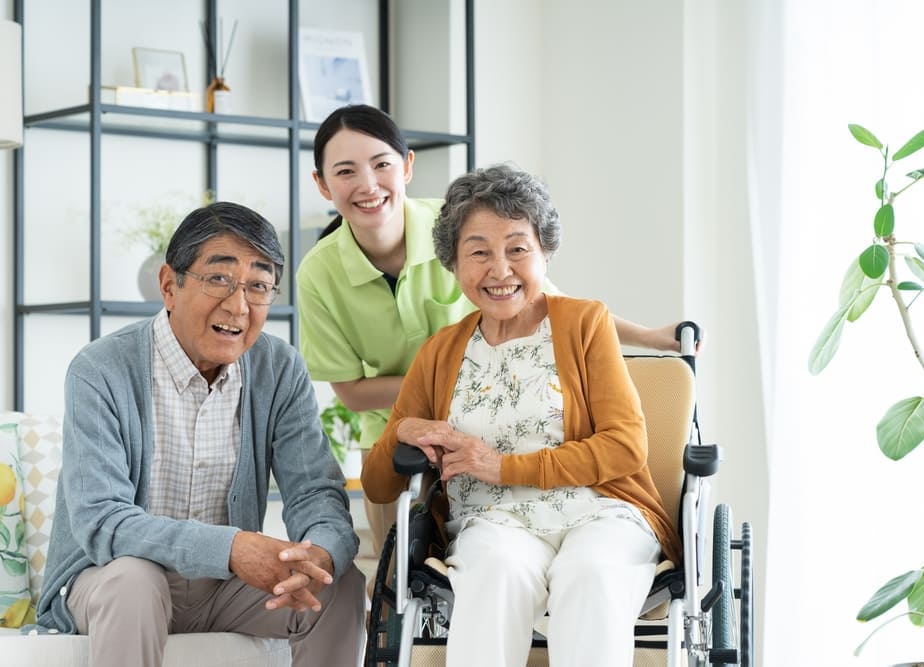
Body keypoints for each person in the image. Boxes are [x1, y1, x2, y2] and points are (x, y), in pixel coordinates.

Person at [296, 103, 690, 564]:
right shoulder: (319, 275)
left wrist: (649, 337)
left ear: (405, 166)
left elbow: (550, 304)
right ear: (322, 183)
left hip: (525, 431)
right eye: (345, 171)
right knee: (399, 576)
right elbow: (352, 392)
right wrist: (441, 389)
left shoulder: (467, 225)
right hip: (405, 435)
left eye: (381, 164)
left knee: (582, 562)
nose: (367, 184)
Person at [361, 164, 683, 667]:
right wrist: (401, 428)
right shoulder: (440, 352)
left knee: (591, 574)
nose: (500, 269)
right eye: (479, 252)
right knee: (495, 573)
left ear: (544, 252)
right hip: (492, 522)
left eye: (517, 248)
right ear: (453, 262)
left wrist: (503, 467)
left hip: (602, 512)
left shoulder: (584, 323)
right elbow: (379, 484)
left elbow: (625, 446)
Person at [34, 202, 366, 667]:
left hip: (224, 591)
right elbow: (101, 520)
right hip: (112, 579)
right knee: (135, 581)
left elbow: (315, 492)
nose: (238, 305)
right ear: (170, 285)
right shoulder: (101, 369)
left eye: (259, 286)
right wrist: (229, 549)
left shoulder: (279, 368)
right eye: (219, 279)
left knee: (340, 585)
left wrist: (319, 554)